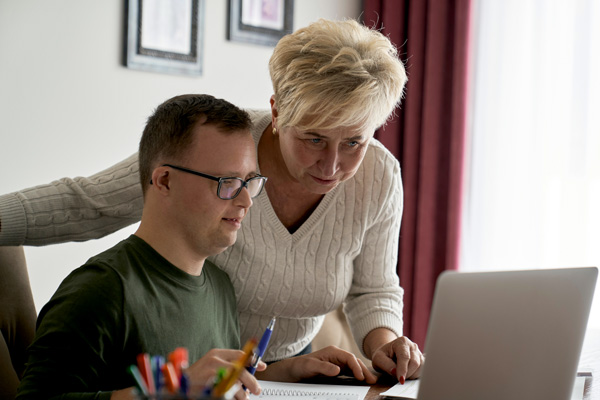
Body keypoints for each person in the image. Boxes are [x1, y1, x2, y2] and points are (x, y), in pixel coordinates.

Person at [0, 18, 423, 382]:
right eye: (314, 138)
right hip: (183, 368)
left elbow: (373, 288)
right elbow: (88, 203)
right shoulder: (222, 152)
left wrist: (386, 346)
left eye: (354, 141)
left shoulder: (379, 177)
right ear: (277, 114)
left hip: (280, 370)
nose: (332, 165)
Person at [15, 94, 376, 400]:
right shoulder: (99, 291)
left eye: (250, 182)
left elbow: (211, 387)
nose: (246, 201)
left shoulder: (219, 287)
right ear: (165, 181)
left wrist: (289, 371)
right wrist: (170, 390)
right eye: (228, 182)